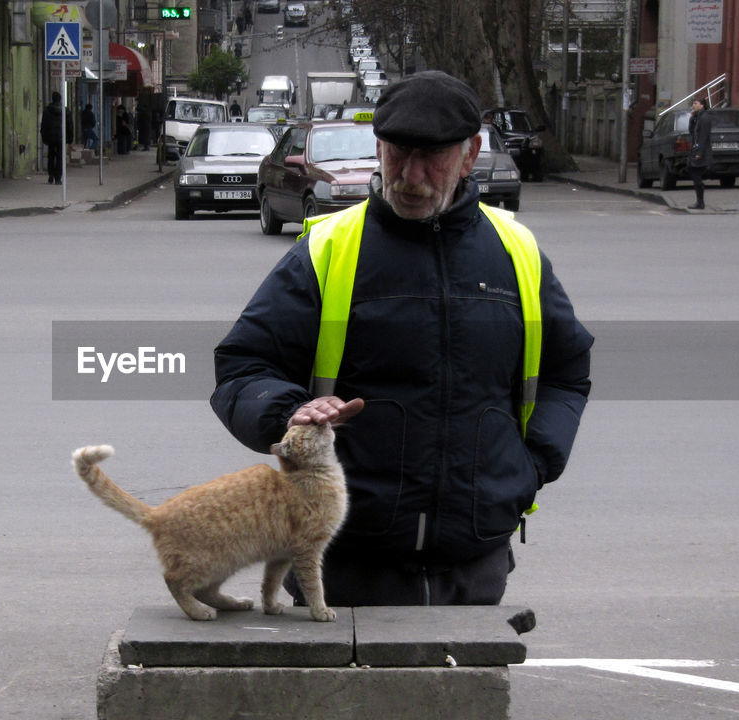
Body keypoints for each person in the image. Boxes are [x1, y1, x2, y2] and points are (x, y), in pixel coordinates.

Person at [211, 71, 593, 607]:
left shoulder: (516, 253)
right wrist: (287, 414)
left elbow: (565, 372)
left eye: (431, 158)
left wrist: (530, 469)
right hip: (345, 566)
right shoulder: (327, 250)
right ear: (379, 147)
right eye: (396, 155)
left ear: (469, 155)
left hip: (474, 564)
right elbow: (242, 366)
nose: (411, 177)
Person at [688, 98, 712, 210]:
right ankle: (699, 201)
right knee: (694, 172)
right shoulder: (698, 117)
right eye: (693, 103)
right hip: (696, 149)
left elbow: (703, 136)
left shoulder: (705, 118)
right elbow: (692, 132)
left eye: (695, 103)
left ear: (702, 105)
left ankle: (700, 202)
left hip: (701, 151)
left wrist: (699, 152)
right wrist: (692, 117)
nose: (693, 105)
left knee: (696, 173)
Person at [40, 91, 66, 184]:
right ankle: (58, 178)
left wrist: (44, 136)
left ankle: (51, 175)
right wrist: (70, 138)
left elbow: (44, 124)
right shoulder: (64, 110)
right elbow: (69, 124)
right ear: (60, 99)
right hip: (60, 137)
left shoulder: (47, 110)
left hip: (50, 137)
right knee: (60, 157)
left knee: (51, 156)